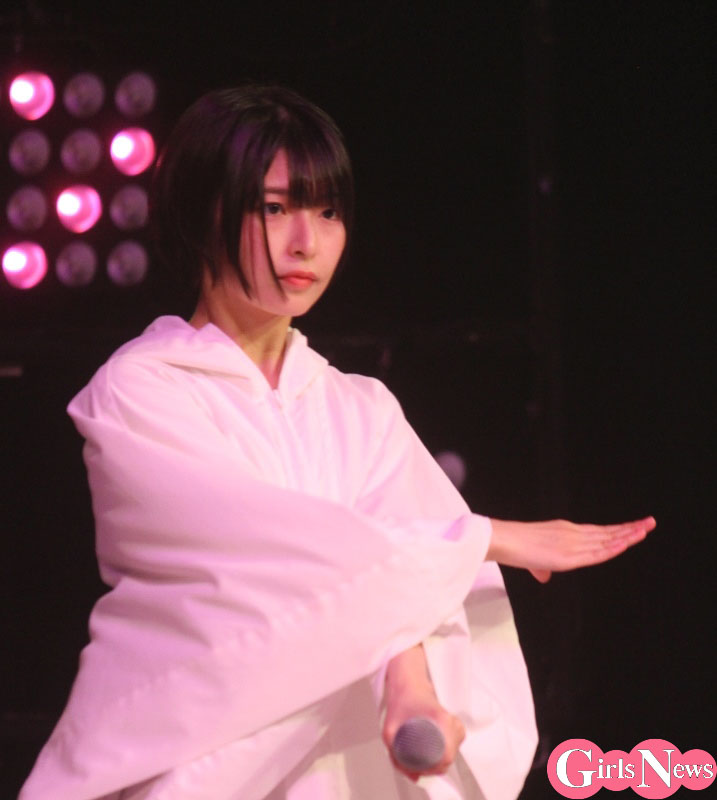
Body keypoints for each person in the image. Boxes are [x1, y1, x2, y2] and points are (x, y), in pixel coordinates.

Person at [20, 84, 655, 800]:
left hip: (344, 767)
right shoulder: (140, 390)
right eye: (274, 208)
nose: (307, 241)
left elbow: (389, 575)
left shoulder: (360, 407)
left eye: (327, 212)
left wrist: (411, 688)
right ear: (204, 212)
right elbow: (270, 557)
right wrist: (485, 537)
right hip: (194, 760)